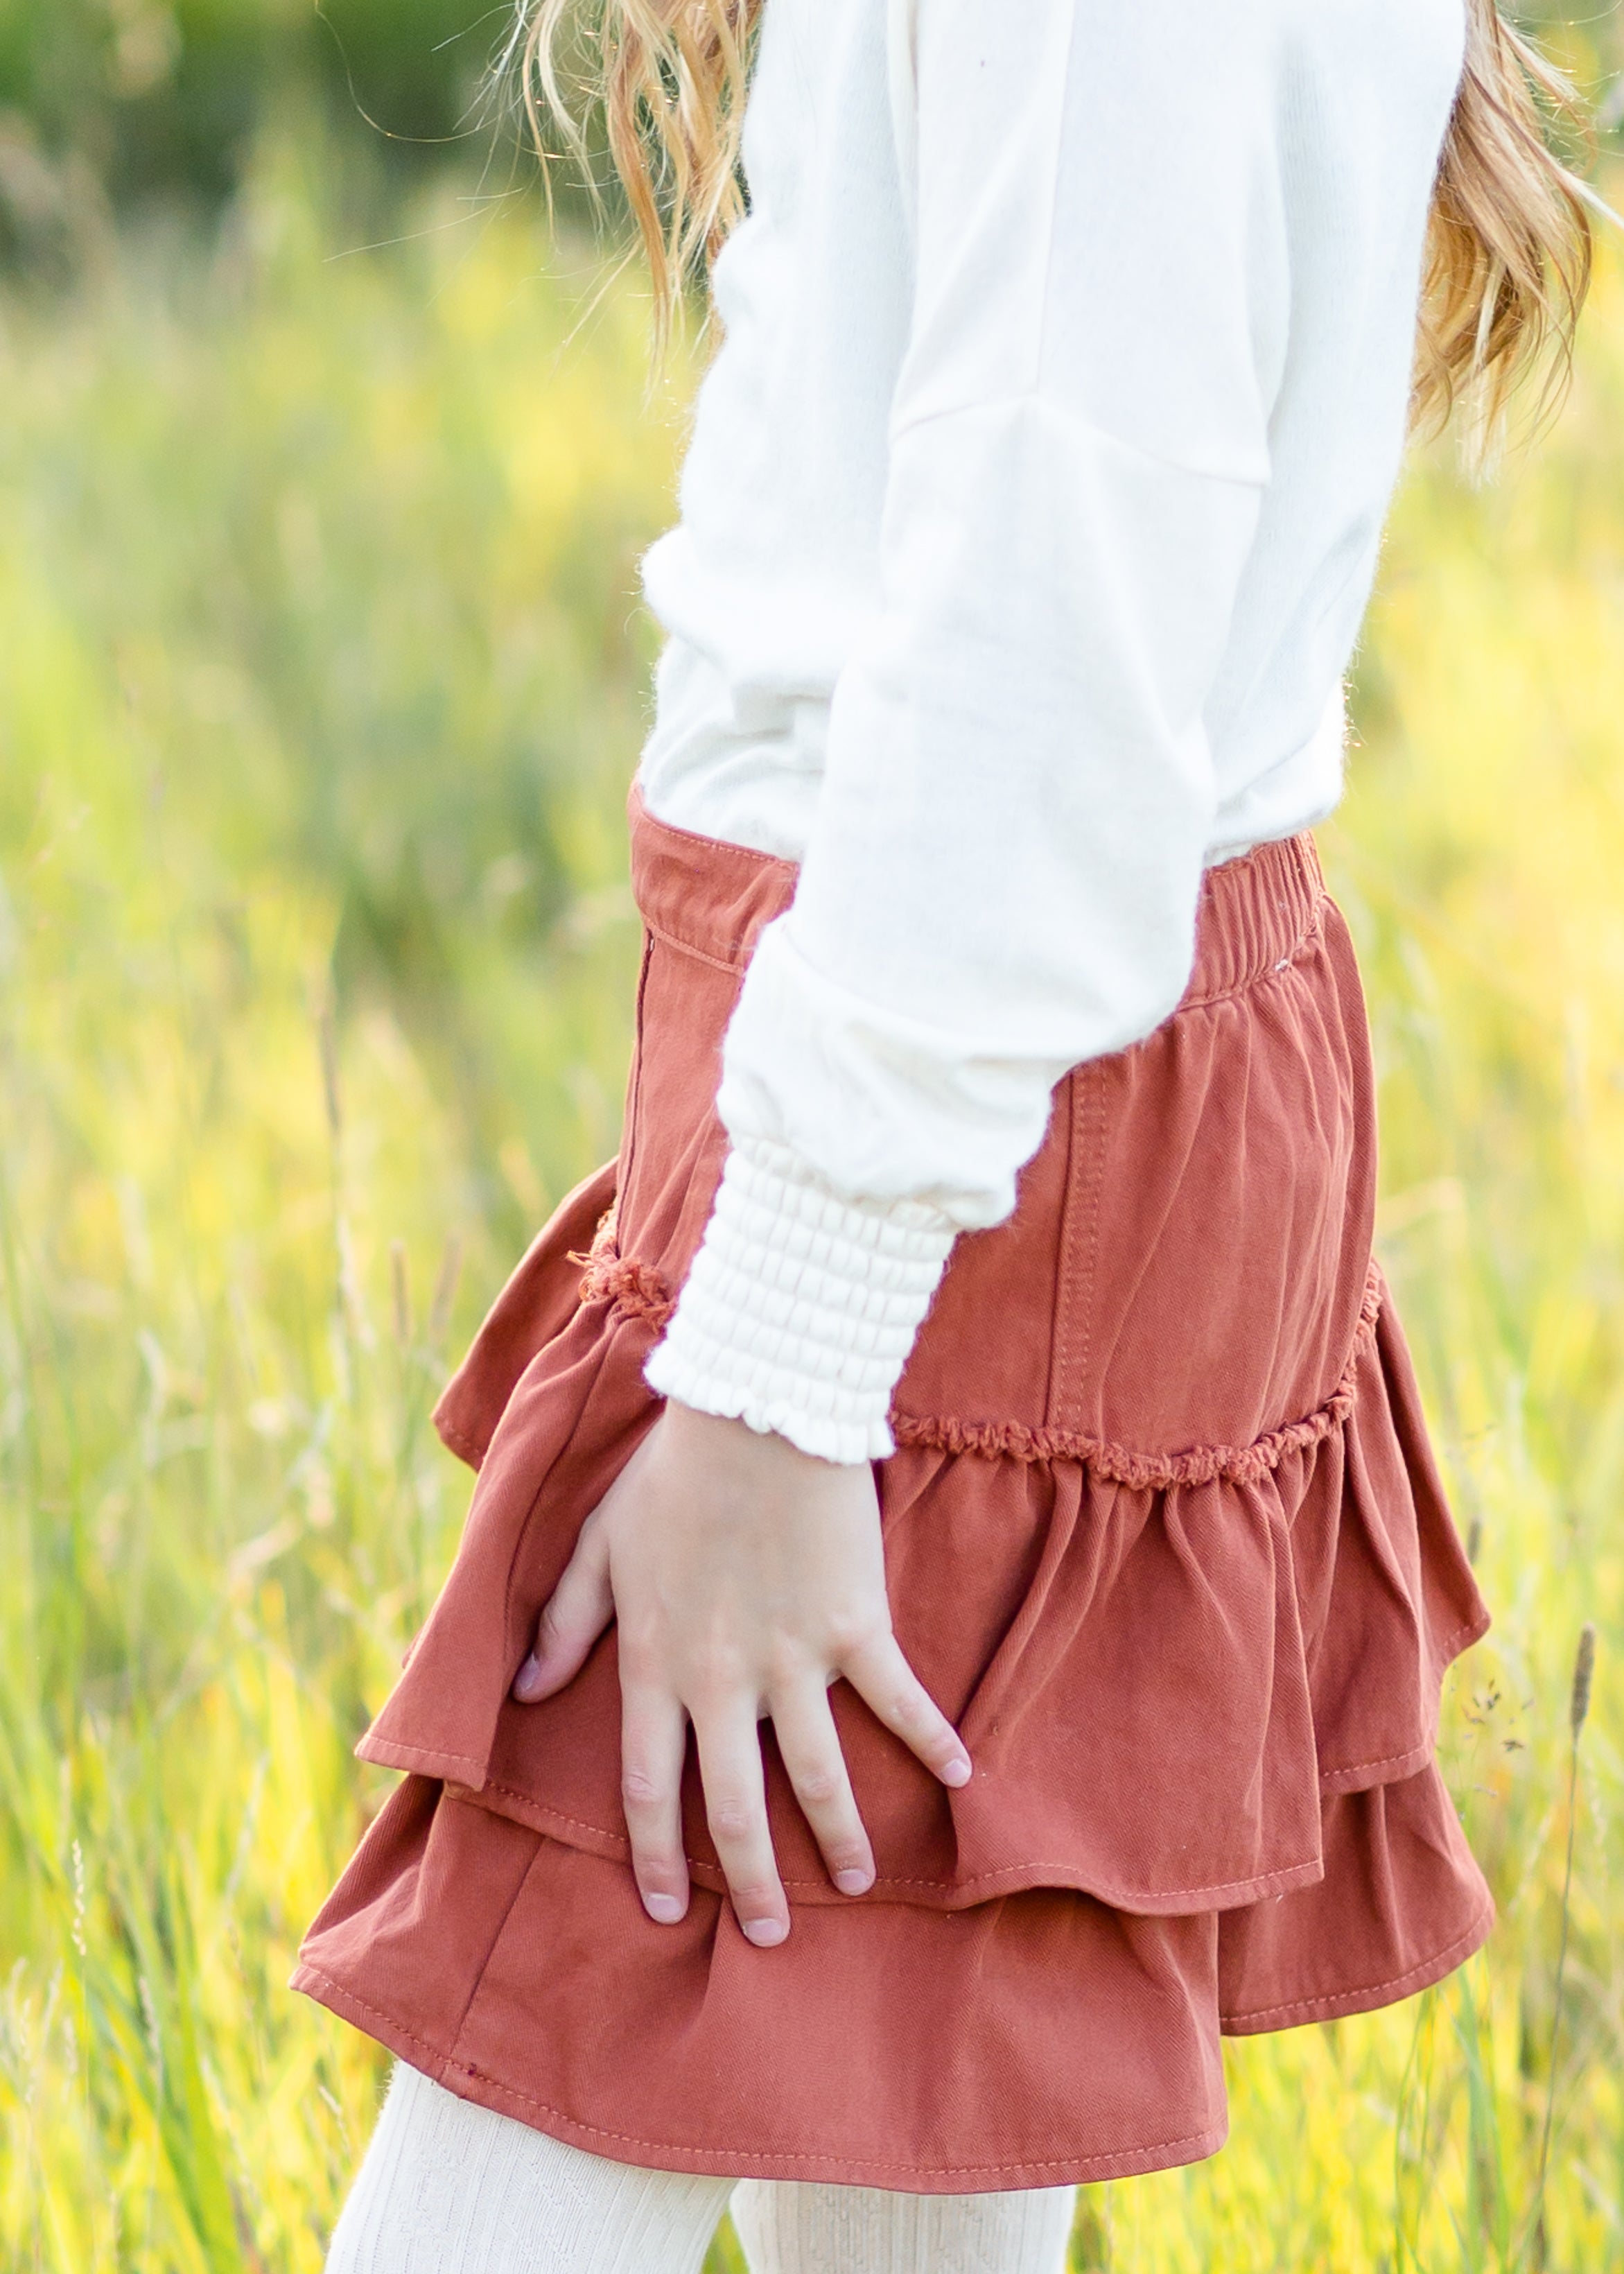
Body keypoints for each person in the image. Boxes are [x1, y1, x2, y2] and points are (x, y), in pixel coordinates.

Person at [295, 1, 1594, 2267]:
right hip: (980, 1048)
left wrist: (787, 1360)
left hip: (953, 1100)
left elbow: (1049, 648)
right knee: (908, 2166)